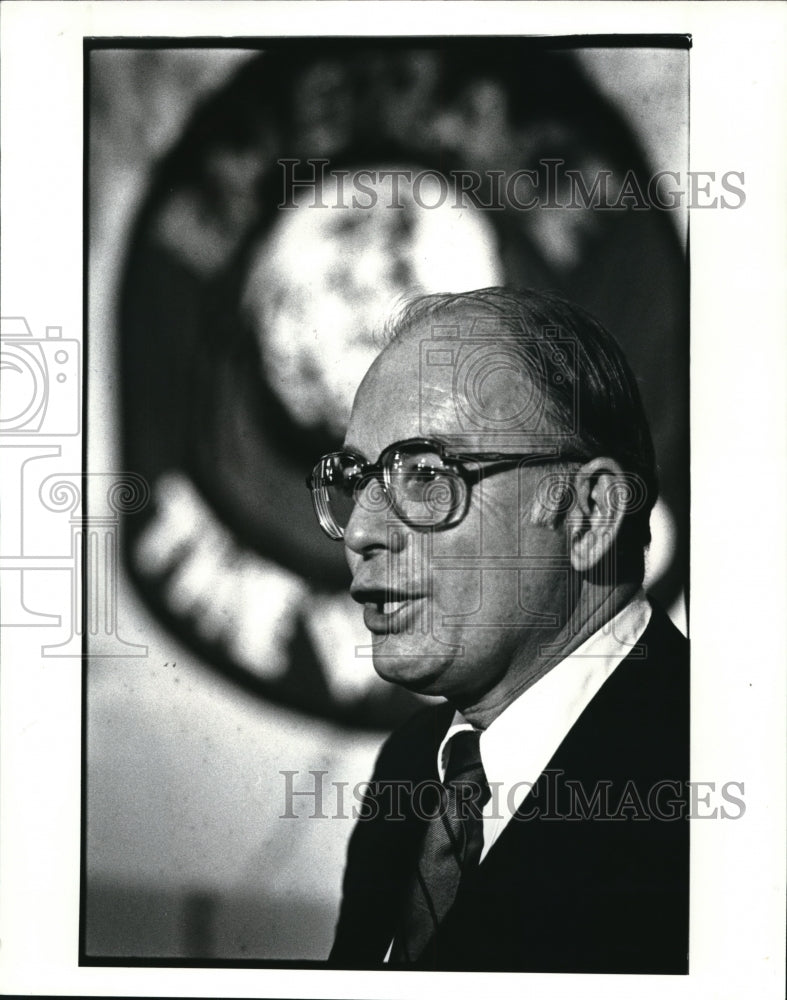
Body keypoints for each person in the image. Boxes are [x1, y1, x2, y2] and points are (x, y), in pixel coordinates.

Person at [307, 287, 689, 973]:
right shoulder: (414, 766)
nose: (360, 531)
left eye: (423, 474)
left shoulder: (717, 765)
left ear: (588, 513)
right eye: (356, 478)